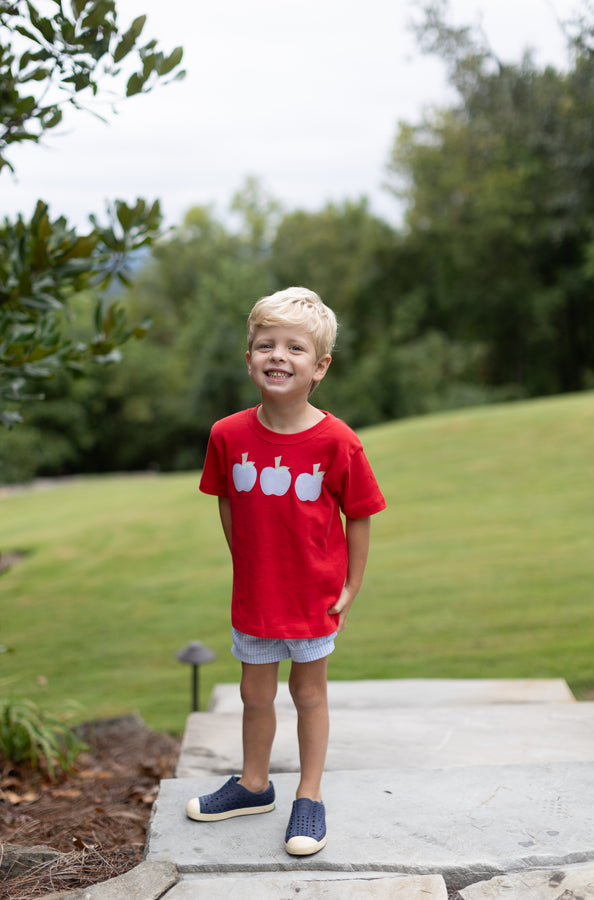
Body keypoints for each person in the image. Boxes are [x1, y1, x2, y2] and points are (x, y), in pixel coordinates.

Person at [185, 286, 386, 856]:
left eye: (295, 348)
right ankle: (253, 784)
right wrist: (246, 558)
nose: (278, 356)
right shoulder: (227, 435)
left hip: (314, 598)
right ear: (248, 358)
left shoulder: (337, 441)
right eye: (265, 344)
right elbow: (225, 499)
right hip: (255, 595)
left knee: (310, 693)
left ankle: (310, 795)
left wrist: (351, 586)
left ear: (319, 366)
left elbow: (361, 516)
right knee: (254, 693)